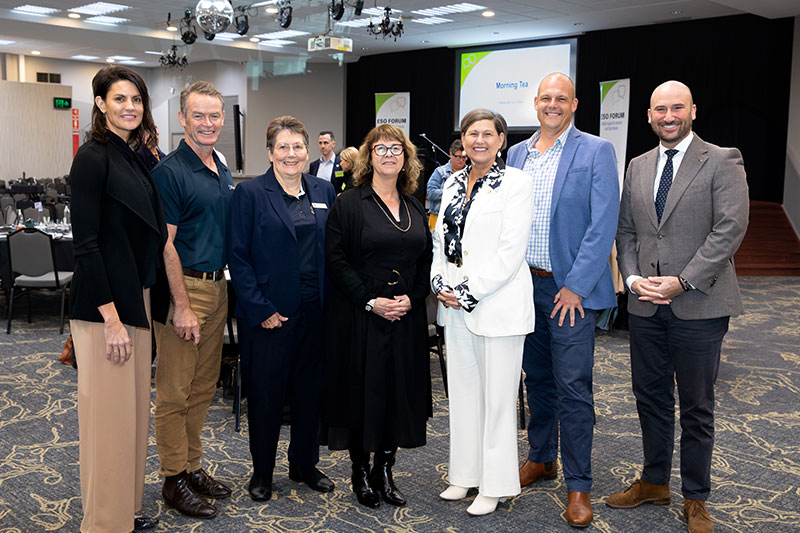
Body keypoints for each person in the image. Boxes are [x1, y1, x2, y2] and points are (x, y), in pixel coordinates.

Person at [609, 81, 749, 533]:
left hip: (700, 304)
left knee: (696, 405)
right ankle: (654, 482)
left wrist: (682, 282)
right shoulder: (638, 165)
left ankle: (696, 497)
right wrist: (631, 280)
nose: (668, 116)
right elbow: (627, 230)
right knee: (649, 397)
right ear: (649, 116)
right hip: (646, 306)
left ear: (693, 111)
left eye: (677, 108)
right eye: (660, 110)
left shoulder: (722, 159)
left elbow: (730, 228)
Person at [507, 72, 620, 528]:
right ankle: (541, 457)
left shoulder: (595, 150)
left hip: (568, 290)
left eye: (561, 99)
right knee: (536, 378)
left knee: (574, 386)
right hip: (522, 287)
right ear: (535, 103)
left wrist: (575, 285)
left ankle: (578, 484)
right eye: (545, 98)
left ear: (574, 104)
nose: (553, 105)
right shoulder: (515, 153)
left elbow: (602, 223)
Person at [68, 65, 166, 533]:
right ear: (101, 104)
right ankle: (103, 523)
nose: (130, 107)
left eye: (137, 99)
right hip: (104, 307)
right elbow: (84, 244)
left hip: (135, 300)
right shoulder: (92, 157)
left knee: (130, 417)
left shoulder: (133, 156)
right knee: (107, 421)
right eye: (120, 99)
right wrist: (110, 319)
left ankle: (124, 512)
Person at [322, 124, 432, 510]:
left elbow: (425, 262)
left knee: (397, 393)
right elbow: (335, 260)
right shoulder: (348, 203)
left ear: (406, 159)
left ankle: (386, 469)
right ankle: (360, 472)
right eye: (380, 148)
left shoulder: (415, 205)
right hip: (360, 317)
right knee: (362, 393)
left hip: (404, 319)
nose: (389, 154)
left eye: (396, 149)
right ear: (369, 157)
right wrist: (371, 300)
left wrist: (413, 299)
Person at [431, 109, 535, 516]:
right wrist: (441, 284)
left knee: (496, 401)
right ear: (462, 139)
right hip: (454, 309)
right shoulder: (454, 182)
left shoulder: (516, 183)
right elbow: (442, 241)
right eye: (471, 134)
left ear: (501, 139)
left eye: (487, 134)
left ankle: (496, 484)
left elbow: (510, 253)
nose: (479, 140)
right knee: (463, 395)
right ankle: (465, 474)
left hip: (497, 307)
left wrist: (467, 292)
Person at [228, 116, 336, 502]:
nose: (291, 154)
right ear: (270, 152)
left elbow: (333, 251)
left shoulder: (324, 190)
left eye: (298, 147)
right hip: (269, 315)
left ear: (308, 151)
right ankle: (263, 470)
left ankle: (304, 463)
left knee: (311, 394)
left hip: (316, 311)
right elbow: (238, 257)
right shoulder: (251, 193)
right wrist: (260, 308)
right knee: (266, 395)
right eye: (283, 147)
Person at [151, 81, 234, 519]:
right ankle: (172, 478)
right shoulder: (169, 173)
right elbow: (165, 245)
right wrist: (181, 305)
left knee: (203, 388)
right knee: (174, 391)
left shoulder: (219, 165)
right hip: (186, 289)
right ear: (182, 119)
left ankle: (192, 466)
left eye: (214, 116)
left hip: (219, 289)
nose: (208, 124)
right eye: (198, 116)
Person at [426, 139, 467, 229]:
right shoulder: (440, 172)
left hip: (461, 219)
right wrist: (451, 191)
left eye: (464, 157)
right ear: (451, 154)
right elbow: (430, 193)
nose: (461, 160)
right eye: (458, 156)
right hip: (438, 217)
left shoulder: (470, 173)